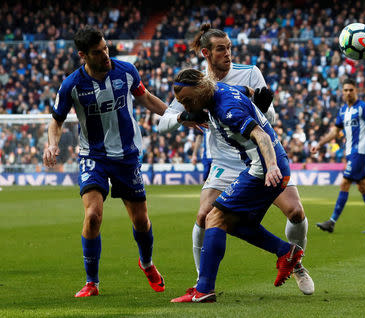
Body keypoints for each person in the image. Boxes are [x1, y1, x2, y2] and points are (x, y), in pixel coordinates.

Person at [158, 24, 314, 295]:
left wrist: (263, 106)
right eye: (221, 49)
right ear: (206, 53)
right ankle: (201, 280)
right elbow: (163, 124)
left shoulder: (249, 73)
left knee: (296, 212)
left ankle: (296, 263)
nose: (228, 54)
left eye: (229, 48)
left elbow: (267, 122)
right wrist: (184, 117)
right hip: (225, 162)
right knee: (206, 216)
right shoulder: (192, 84)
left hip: (260, 160)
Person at [43, 26, 167, 297]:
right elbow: (57, 120)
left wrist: (175, 116)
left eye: (106, 49)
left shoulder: (126, 71)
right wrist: (52, 144)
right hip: (93, 155)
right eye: (98, 53)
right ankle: (92, 282)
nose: (105, 55)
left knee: (141, 221)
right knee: (92, 216)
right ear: (83, 56)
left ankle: (146, 263)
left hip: (126, 156)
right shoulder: (71, 85)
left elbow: (145, 98)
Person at [311, 78, 365, 233]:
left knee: (344, 184)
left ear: (356, 91)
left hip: (359, 152)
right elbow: (334, 132)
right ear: (342, 92)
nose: (348, 92)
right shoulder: (343, 110)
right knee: (363, 187)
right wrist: (320, 144)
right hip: (350, 153)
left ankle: (331, 222)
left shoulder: (363, 108)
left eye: (351, 90)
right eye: (345, 90)